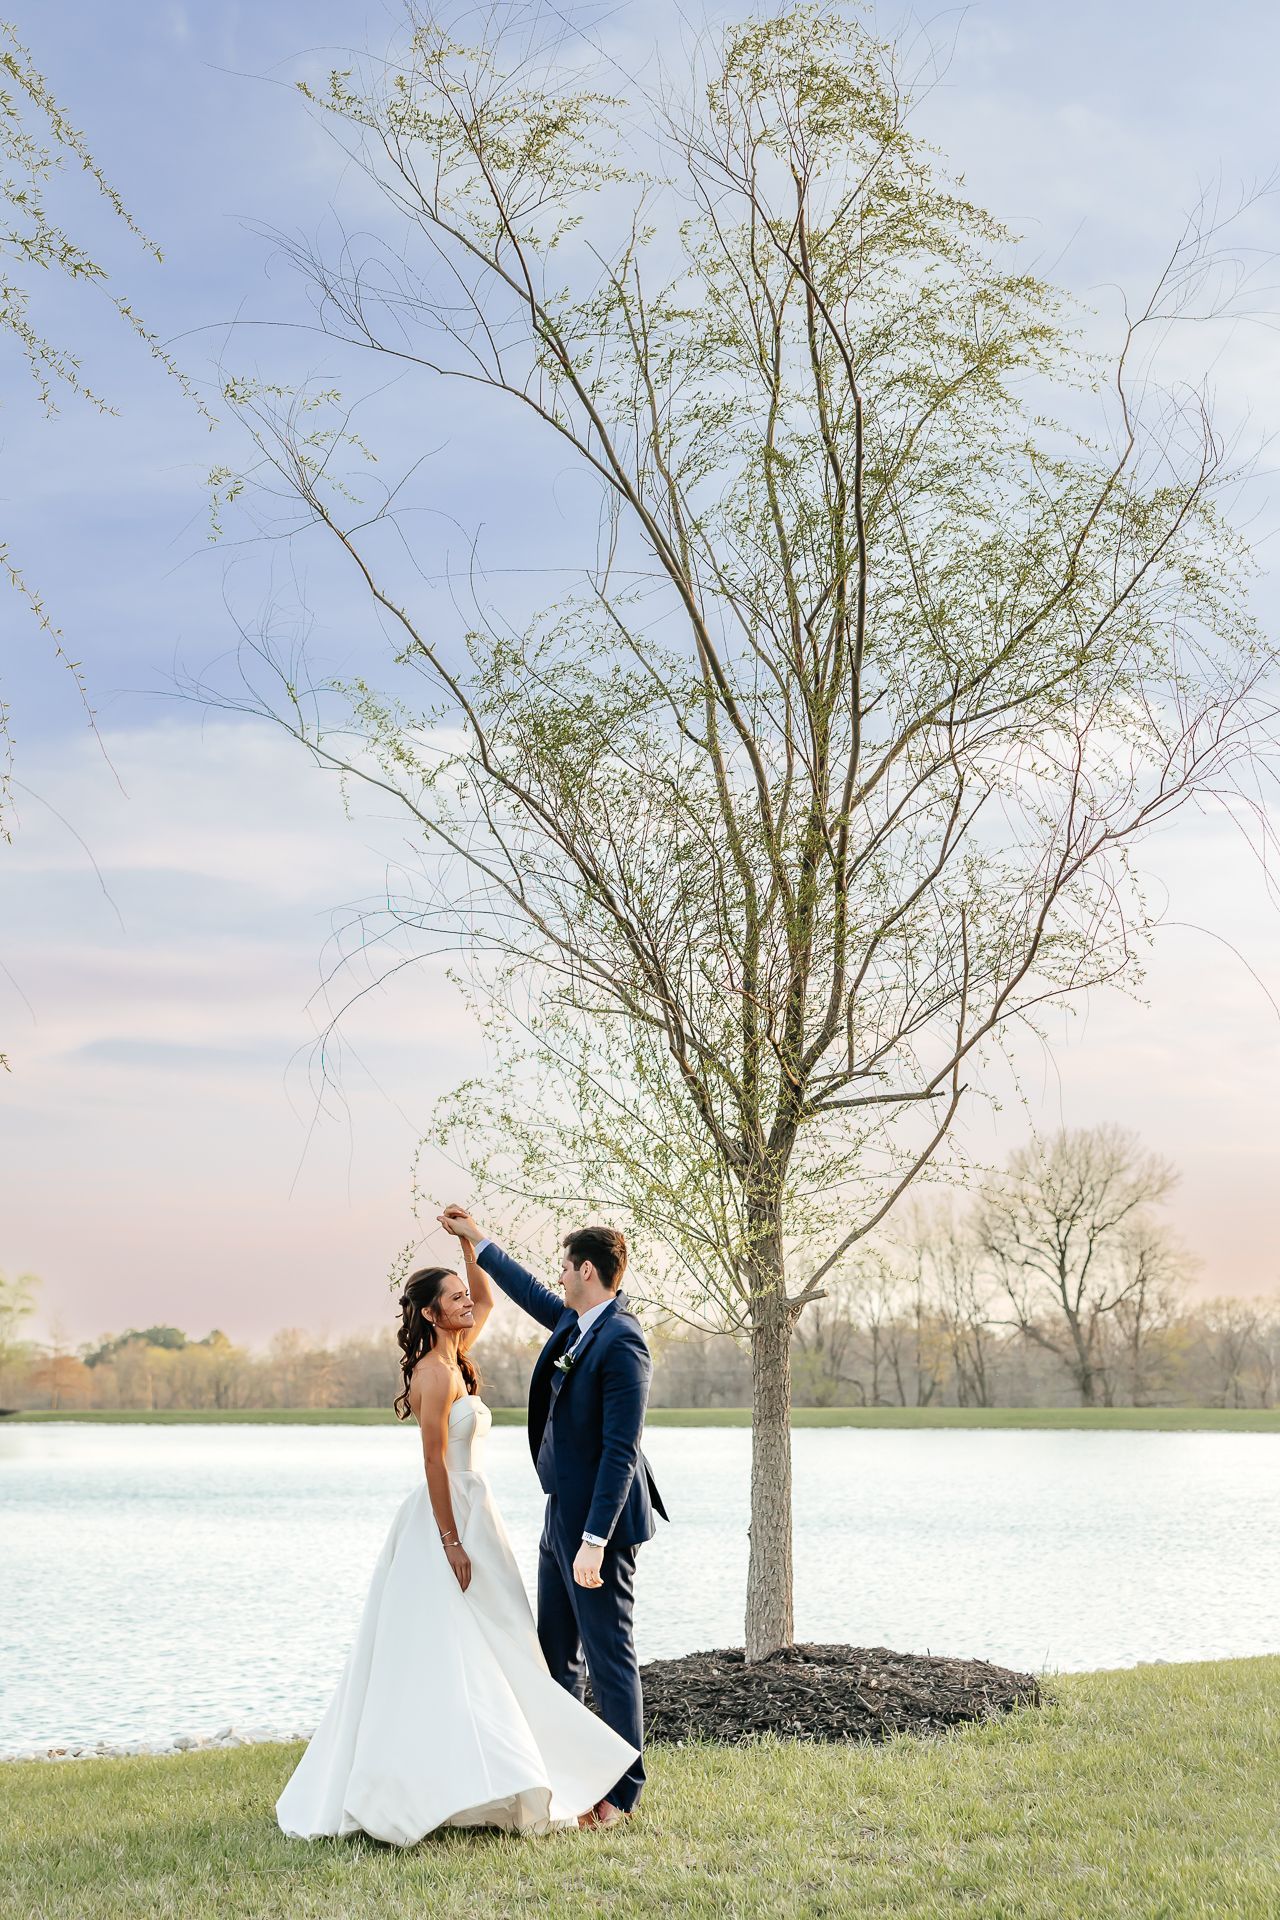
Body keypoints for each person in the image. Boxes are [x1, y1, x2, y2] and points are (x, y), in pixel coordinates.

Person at [275, 1240, 637, 1846]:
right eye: (453, 1298)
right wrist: (451, 1544)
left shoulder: (459, 1354)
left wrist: (471, 1245)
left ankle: (525, 1772)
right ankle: (439, 1780)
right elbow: (435, 1467)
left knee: (505, 1646)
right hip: (449, 1520)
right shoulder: (434, 1374)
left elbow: (490, 1296)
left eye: (462, 1295)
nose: (467, 1302)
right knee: (448, 1649)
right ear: (430, 1314)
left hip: (479, 1516)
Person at [438, 1205, 667, 1830]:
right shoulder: (577, 1321)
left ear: (586, 1270)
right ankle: (565, 1779)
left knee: (608, 1653)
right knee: (554, 1654)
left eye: (565, 1267)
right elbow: (530, 1292)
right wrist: (477, 1241)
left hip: (601, 1525)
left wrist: (593, 1541)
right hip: (559, 1515)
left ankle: (621, 1795)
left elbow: (621, 1450)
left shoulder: (623, 1341)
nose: (559, 1278)